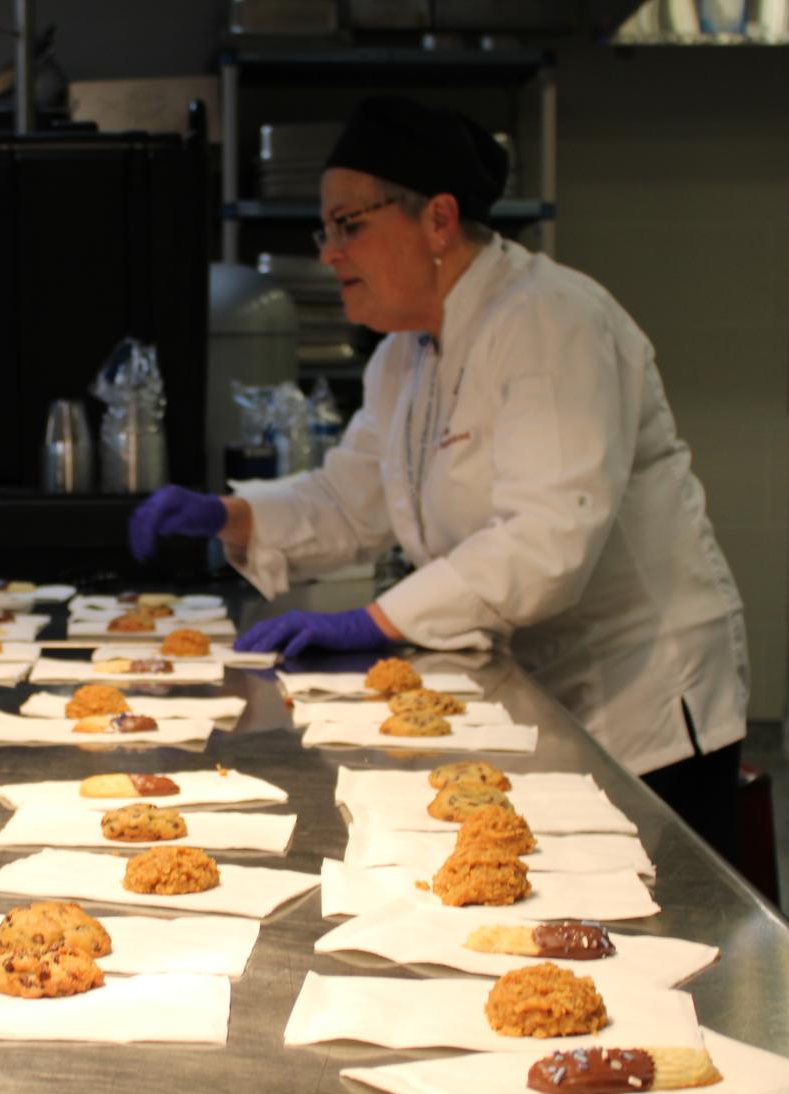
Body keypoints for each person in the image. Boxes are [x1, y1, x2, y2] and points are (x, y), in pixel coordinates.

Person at [129, 96, 749, 855]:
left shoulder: (550, 321)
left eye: (348, 224)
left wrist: (371, 622)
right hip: (534, 686)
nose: (329, 252)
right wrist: (229, 515)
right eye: (323, 230)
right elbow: (351, 499)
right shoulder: (404, 354)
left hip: (637, 705)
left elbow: (543, 541)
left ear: (438, 220)